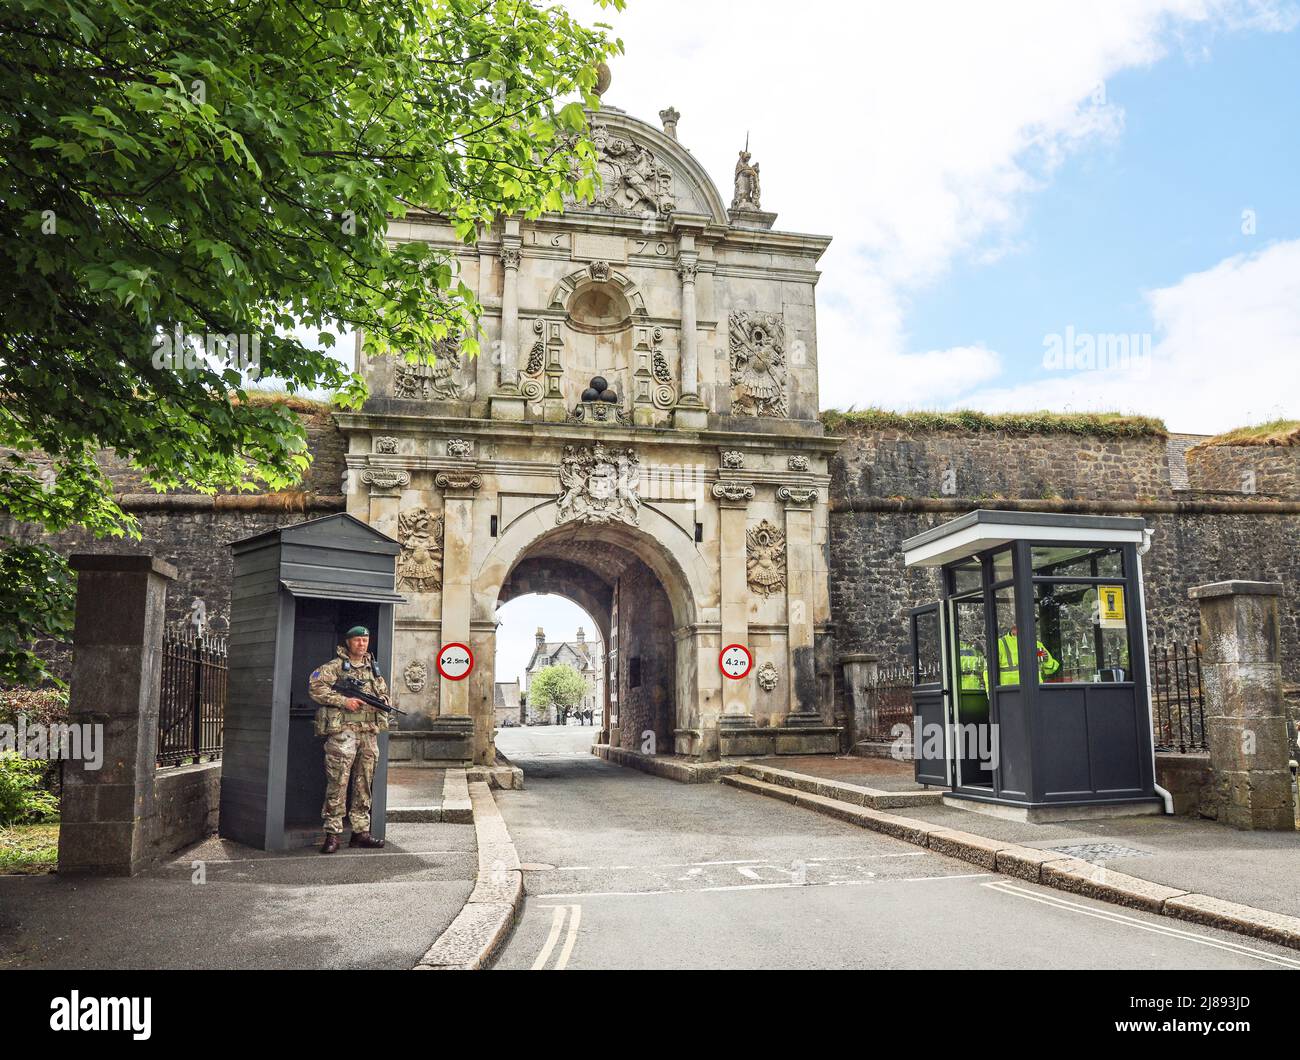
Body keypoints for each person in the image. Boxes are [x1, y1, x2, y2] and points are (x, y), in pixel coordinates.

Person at [309, 625, 391, 854]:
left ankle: (360, 832)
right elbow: (315, 686)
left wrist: (379, 700)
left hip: (368, 733)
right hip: (344, 733)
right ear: (348, 642)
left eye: (365, 640)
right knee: (338, 782)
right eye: (357, 640)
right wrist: (343, 701)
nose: (361, 644)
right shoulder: (335, 666)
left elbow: (384, 692)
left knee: (364, 783)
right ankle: (333, 834)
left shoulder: (373, 669)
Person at [992, 623, 1060, 687]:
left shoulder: (1036, 644)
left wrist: (1047, 661)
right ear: (1012, 627)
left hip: (1034, 690)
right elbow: (988, 672)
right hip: (1010, 692)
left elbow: (1051, 669)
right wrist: (991, 694)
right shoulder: (1000, 644)